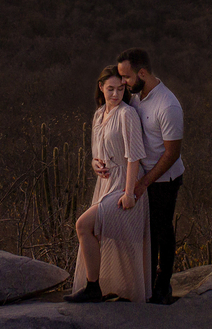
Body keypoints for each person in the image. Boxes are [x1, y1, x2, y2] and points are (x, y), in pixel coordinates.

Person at [65, 65, 151, 304]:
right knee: (101, 235)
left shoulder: (127, 114)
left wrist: (129, 193)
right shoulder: (99, 114)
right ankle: (98, 287)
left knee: (84, 225)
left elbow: (134, 156)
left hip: (126, 183)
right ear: (101, 87)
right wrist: (95, 163)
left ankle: (99, 288)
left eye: (120, 89)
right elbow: (97, 151)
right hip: (105, 183)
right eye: (110, 89)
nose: (115, 94)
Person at [111, 48, 183, 305]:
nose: (123, 82)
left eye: (126, 77)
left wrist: (144, 183)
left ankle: (162, 288)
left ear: (142, 73)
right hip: (140, 176)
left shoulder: (168, 105)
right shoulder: (136, 98)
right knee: (143, 232)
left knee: (162, 231)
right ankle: (143, 286)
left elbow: (172, 154)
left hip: (164, 179)